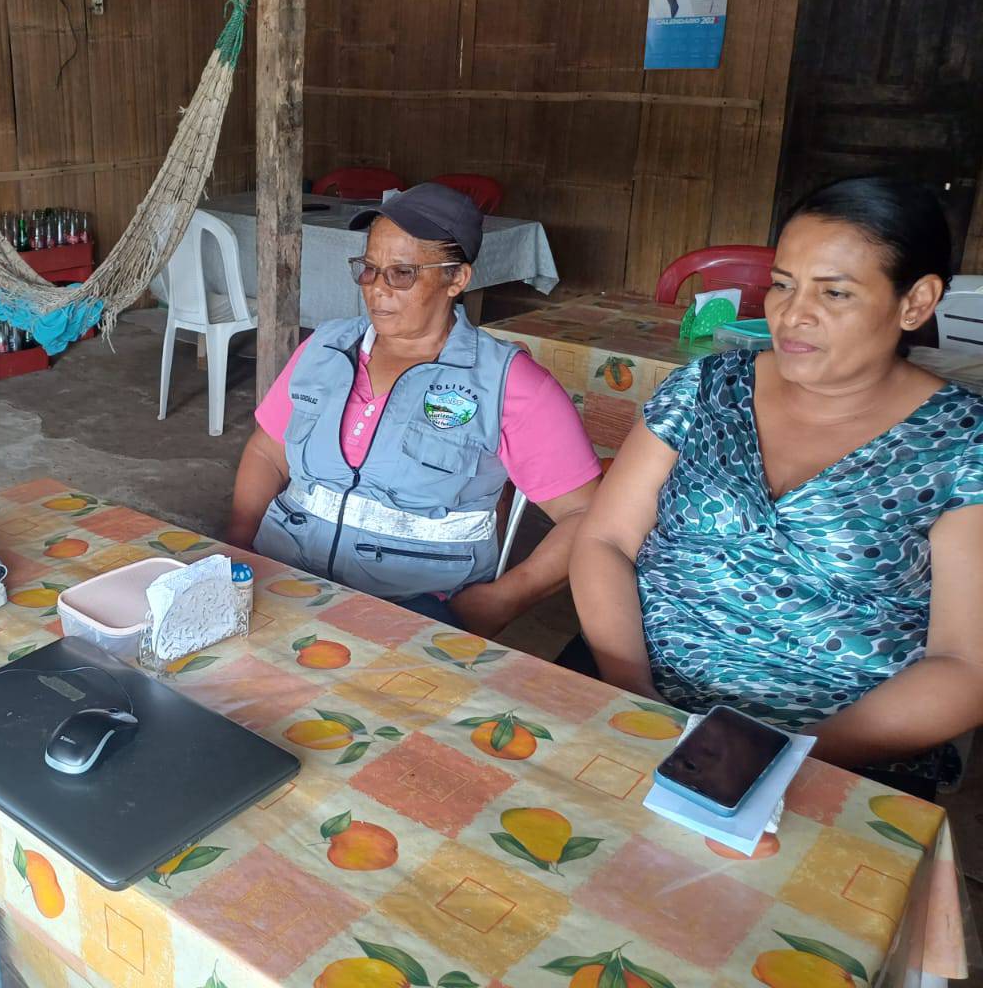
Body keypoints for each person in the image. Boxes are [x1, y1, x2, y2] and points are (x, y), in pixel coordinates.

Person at [572, 178, 983, 791]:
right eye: (783, 284)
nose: (792, 315)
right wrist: (633, 691)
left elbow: (966, 665)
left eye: (835, 292)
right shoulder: (707, 389)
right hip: (637, 695)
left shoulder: (962, 443)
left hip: (839, 750)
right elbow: (605, 539)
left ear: (916, 302)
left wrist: (785, 755)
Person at [225, 183, 601, 636]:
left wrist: (505, 599)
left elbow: (587, 516)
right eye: (369, 269)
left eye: (401, 273)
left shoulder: (508, 384)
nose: (377, 289)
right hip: (283, 578)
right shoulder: (325, 347)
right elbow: (267, 452)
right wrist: (240, 543)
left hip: (413, 612)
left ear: (456, 279)